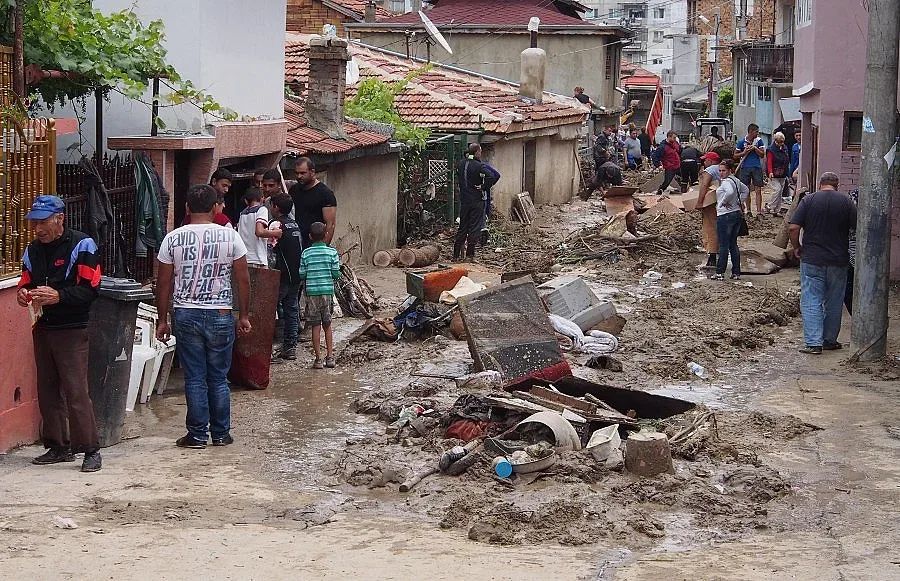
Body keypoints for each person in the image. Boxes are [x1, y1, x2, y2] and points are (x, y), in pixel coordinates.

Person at [156, 184, 252, 448]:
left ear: (187, 208)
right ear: (215, 208)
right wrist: (243, 316)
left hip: (185, 314)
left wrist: (162, 320)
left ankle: (197, 435)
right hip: (221, 314)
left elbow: (163, 283)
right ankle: (221, 434)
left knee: (195, 377)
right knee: (218, 377)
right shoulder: (230, 237)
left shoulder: (172, 239)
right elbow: (243, 281)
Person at [17, 195, 103, 472]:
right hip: (42, 327)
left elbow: (91, 290)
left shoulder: (82, 244)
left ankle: (90, 450)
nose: (38, 229)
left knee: (76, 390)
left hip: (72, 328)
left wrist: (59, 296)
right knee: (47, 389)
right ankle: (57, 446)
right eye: (34, 223)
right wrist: (22, 293)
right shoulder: (32, 249)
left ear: (59, 219)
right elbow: (26, 280)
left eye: (43, 222)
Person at [789, 172, 857, 354]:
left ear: (820, 184)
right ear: (837, 185)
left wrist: (797, 247)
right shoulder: (846, 202)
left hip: (812, 258)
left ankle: (813, 343)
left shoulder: (809, 201)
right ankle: (829, 340)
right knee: (834, 301)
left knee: (812, 299)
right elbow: (857, 227)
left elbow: (793, 227)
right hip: (839, 260)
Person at [299, 222, 341, 369]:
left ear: (310, 236)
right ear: (326, 235)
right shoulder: (332, 253)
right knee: (327, 325)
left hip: (311, 293)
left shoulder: (305, 253)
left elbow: (302, 274)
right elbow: (336, 273)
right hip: (327, 293)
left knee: (315, 326)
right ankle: (330, 357)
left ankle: (318, 359)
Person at [269, 194, 303, 362]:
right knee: (291, 310)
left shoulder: (277, 224)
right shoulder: (295, 224)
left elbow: (270, 248)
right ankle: (290, 347)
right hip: (296, 275)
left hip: (281, 275)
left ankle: (267, 348)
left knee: (268, 310)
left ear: (275, 207)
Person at [454, 143, 498, 260]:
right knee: (475, 227)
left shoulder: (461, 163)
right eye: (480, 151)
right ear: (477, 152)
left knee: (463, 227)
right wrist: (483, 186)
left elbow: (458, 174)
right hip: (476, 200)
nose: (481, 152)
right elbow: (492, 176)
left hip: (464, 201)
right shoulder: (479, 166)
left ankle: (455, 255)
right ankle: (470, 255)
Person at [710, 159, 748, 281]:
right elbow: (746, 190)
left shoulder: (726, 182)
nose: (721, 173)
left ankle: (720, 272)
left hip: (725, 215)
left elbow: (730, 192)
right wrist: (739, 202)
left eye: (724, 170)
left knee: (723, 245)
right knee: (733, 244)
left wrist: (722, 203)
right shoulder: (736, 180)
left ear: (730, 170)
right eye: (720, 171)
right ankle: (736, 272)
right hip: (736, 213)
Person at [288, 157, 337, 249]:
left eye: (302, 173)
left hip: (315, 244)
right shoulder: (294, 190)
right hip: (296, 242)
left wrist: (323, 248)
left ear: (312, 172)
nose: (299, 176)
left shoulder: (325, 193)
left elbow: (330, 224)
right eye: (297, 173)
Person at [237, 187, 280, 267]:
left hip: (244, 258)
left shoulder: (242, 214)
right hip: (257, 259)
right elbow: (259, 231)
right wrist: (276, 232)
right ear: (262, 198)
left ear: (246, 201)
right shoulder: (261, 210)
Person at [694, 151, 722, 269]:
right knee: (719, 228)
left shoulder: (709, 170)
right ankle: (721, 255)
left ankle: (712, 257)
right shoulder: (722, 169)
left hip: (710, 204)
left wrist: (699, 202)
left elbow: (704, 186)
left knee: (709, 228)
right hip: (721, 203)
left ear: (710, 161)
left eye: (705, 160)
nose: (704, 162)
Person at [735, 123, 766, 217]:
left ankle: (759, 211)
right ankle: (748, 210)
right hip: (745, 167)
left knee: (758, 189)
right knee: (746, 189)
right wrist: (744, 152)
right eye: (756, 132)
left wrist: (755, 148)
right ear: (751, 131)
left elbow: (762, 154)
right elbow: (735, 155)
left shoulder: (759, 141)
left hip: (757, 167)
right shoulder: (741, 142)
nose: (757, 133)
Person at [765, 132, 791, 215]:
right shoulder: (771, 150)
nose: (781, 144)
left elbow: (787, 161)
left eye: (782, 142)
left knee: (780, 191)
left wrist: (788, 173)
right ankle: (770, 206)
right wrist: (770, 172)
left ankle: (777, 209)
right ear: (775, 141)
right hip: (774, 173)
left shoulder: (785, 148)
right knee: (777, 189)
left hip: (783, 173)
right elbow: (769, 162)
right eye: (779, 142)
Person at [478, 160, 501, 246]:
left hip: (479, 197)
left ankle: (482, 239)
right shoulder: (481, 166)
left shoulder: (481, 166)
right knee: (482, 216)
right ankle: (483, 238)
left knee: (480, 217)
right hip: (482, 196)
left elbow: (496, 175)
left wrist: (485, 186)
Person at [844, 188, 859, 314]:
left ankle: (857, 315)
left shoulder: (853, 196)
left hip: (852, 249)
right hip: (854, 248)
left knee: (848, 288)